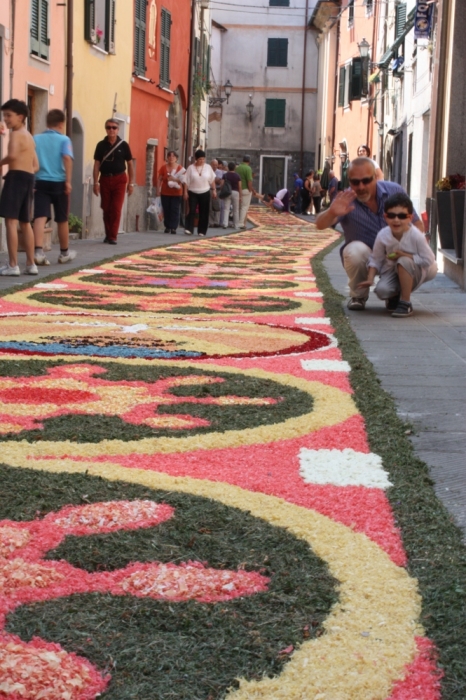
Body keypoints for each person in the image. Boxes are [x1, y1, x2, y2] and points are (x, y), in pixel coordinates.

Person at [315, 156, 425, 310]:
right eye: (355, 182)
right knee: (354, 250)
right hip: (367, 258)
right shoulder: (346, 199)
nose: (360, 186)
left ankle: (395, 294)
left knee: (429, 267)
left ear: (375, 177)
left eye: (366, 180)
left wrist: (413, 247)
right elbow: (320, 224)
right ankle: (358, 296)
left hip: (396, 256)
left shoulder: (394, 191)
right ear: (349, 181)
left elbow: (417, 223)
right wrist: (331, 212)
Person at [357, 193, 437, 317]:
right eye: (391, 215)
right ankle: (395, 297)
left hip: (418, 270)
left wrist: (404, 255)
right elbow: (376, 259)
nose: (396, 220)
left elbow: (429, 259)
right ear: (385, 217)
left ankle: (405, 302)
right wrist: (370, 278)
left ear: (410, 218)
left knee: (403, 261)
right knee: (382, 291)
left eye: (402, 216)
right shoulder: (383, 235)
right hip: (392, 271)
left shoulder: (416, 235)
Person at [32, 109, 76, 265]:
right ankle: (64, 253)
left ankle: (38, 252)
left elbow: (31, 159)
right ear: (61, 124)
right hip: (59, 181)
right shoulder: (65, 140)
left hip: (40, 181)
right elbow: (67, 159)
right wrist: (68, 181)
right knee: (62, 218)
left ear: (47, 123)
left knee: (40, 217)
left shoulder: (35, 138)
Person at [0, 99, 38, 276]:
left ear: (20, 117)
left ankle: (13, 264)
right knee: (25, 223)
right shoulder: (29, 136)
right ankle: (31, 264)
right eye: (4, 115)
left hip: (16, 178)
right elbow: (35, 164)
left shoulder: (15, 134)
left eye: (9, 115)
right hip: (28, 178)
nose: (5, 119)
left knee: (10, 221)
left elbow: (13, 155)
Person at [93, 118, 134, 244]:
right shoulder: (100, 145)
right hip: (104, 179)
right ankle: (108, 233)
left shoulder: (124, 145)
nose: (111, 130)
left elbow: (130, 165)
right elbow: (96, 165)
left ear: (118, 129)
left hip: (120, 179)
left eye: (114, 127)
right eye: (108, 127)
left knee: (116, 208)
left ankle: (112, 236)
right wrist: (95, 182)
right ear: (106, 129)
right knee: (106, 208)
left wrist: (131, 183)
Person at [183, 149, 217, 236]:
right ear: (196, 159)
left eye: (203, 159)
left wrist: (214, 190)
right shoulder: (190, 168)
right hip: (192, 191)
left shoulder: (208, 167)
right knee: (192, 210)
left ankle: (202, 231)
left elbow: (212, 180)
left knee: (204, 211)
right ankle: (189, 229)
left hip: (205, 191)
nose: (202, 161)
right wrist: (185, 192)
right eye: (200, 159)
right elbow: (186, 181)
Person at [156, 150, 185, 234]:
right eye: (169, 156)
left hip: (177, 192)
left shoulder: (180, 168)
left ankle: (173, 227)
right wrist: (158, 190)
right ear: (167, 158)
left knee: (174, 209)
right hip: (165, 192)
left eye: (173, 156)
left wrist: (174, 179)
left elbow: (183, 180)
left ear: (176, 158)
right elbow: (159, 179)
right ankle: (167, 226)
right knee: (167, 209)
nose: (171, 158)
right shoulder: (163, 168)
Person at [221, 162, 242, 229]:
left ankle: (225, 224)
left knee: (226, 208)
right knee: (236, 210)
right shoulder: (237, 176)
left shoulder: (225, 175)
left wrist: (222, 191)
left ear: (228, 167)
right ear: (234, 168)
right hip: (235, 192)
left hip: (227, 192)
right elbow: (240, 186)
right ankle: (236, 225)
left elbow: (222, 184)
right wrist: (240, 196)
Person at [236, 155, 254, 228]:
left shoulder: (238, 168)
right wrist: (250, 190)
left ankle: (237, 222)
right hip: (245, 189)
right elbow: (249, 180)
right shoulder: (248, 168)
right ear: (249, 161)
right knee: (244, 207)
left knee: (239, 207)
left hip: (238, 189)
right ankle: (241, 223)